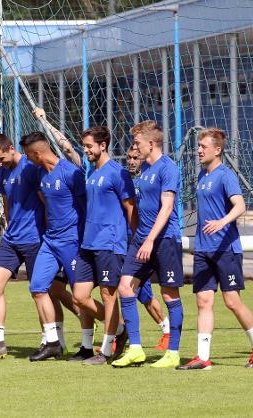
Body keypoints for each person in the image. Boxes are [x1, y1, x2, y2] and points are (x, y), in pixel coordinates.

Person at [177, 128, 253, 370]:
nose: (198, 150)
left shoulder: (226, 175)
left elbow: (240, 205)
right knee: (203, 301)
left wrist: (222, 222)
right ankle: (203, 358)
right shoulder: (202, 176)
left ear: (217, 150)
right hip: (204, 250)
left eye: (203, 146)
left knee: (232, 302)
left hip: (226, 249)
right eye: (198, 146)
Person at [112, 121, 184, 369]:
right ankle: (135, 349)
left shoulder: (168, 168)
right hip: (141, 239)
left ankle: (173, 352)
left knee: (168, 293)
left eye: (138, 144)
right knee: (125, 287)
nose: (135, 148)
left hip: (163, 240)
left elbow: (167, 207)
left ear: (151, 144)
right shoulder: (144, 171)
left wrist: (151, 239)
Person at [0, 133, 51, 360]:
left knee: (41, 292)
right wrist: (6, 228)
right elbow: (7, 204)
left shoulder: (31, 168)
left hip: (36, 239)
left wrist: (48, 233)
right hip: (11, 240)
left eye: (1, 158)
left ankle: (50, 340)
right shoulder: (1, 173)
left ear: (10, 148)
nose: (0, 163)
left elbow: (46, 202)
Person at [20, 131, 93, 361]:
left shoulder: (71, 173)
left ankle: (90, 344)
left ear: (37, 153)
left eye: (28, 155)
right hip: (50, 241)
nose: (27, 160)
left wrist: (84, 240)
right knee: (38, 288)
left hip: (72, 242)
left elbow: (86, 208)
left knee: (80, 297)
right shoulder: (41, 175)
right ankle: (52, 342)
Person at [73, 126, 134, 365]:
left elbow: (130, 208)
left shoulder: (117, 173)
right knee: (79, 297)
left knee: (108, 295)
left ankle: (107, 351)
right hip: (88, 243)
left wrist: (133, 239)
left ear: (103, 145)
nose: (85, 149)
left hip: (110, 243)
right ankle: (118, 328)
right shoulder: (92, 172)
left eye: (89, 146)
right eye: (84, 145)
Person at [126, 145, 171, 350]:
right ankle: (119, 335)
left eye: (136, 157)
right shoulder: (125, 179)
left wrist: (144, 238)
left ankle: (167, 331)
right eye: (129, 157)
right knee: (122, 291)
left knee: (145, 295)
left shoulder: (151, 177)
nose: (132, 161)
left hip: (145, 242)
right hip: (126, 243)